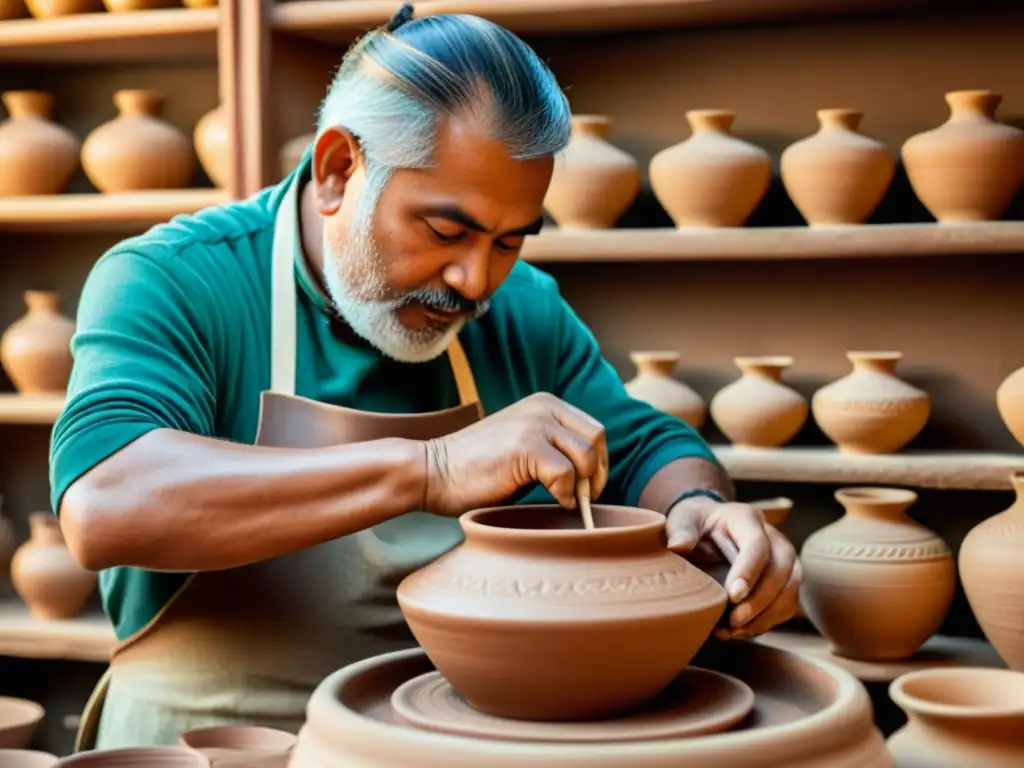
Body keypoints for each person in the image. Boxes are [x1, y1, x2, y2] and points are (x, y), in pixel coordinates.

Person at [49, 4, 800, 750]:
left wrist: (700, 507)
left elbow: (643, 448)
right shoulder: (175, 281)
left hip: (436, 740)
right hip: (204, 743)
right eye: (446, 230)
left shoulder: (523, 312)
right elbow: (105, 500)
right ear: (338, 169)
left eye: (510, 241)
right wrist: (428, 467)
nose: (475, 282)